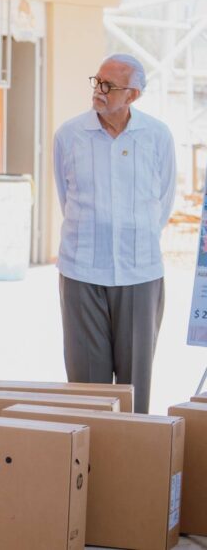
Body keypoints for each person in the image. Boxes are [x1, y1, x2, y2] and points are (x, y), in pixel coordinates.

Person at [54, 54, 176, 414]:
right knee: (86, 386)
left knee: (135, 383)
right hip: (81, 271)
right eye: (97, 81)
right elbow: (65, 198)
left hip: (140, 272)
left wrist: (135, 239)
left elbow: (164, 200)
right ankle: (88, 450)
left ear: (132, 95)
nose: (99, 90)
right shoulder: (69, 135)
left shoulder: (157, 136)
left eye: (109, 86)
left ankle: (132, 448)